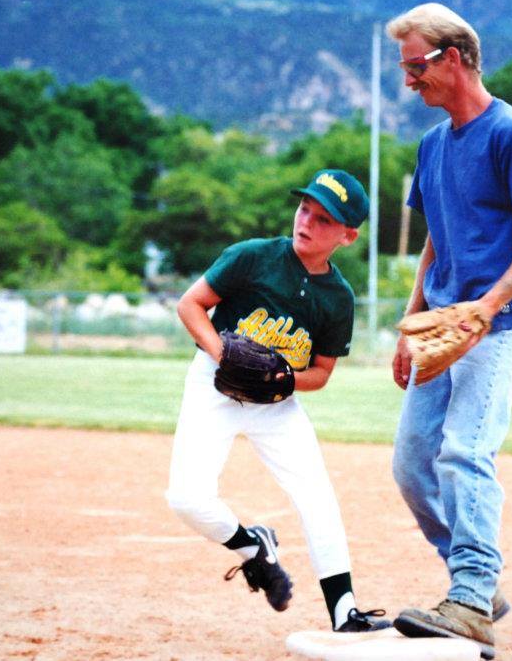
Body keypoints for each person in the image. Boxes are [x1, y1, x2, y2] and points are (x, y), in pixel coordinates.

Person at [385, 3, 512, 660]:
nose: (409, 81)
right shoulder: (433, 146)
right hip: (441, 328)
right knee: (411, 465)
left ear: (453, 58)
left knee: (464, 451)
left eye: (416, 66)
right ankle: (477, 583)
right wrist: (410, 324)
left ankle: (471, 597)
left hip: (501, 323)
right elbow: (436, 242)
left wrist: (488, 305)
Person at [165, 169, 390, 633]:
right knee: (187, 498)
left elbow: (322, 373)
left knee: (316, 497)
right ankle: (253, 548)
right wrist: (224, 353)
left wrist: (284, 379)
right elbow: (191, 304)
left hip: (277, 402)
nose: (306, 221)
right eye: (304, 208)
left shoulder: (338, 299)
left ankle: (344, 611)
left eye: (323, 219)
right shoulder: (254, 257)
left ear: (347, 236)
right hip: (214, 384)